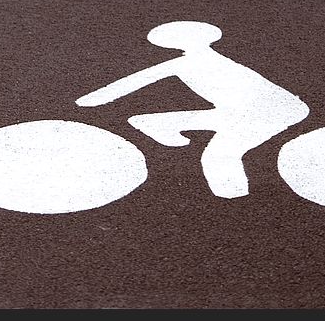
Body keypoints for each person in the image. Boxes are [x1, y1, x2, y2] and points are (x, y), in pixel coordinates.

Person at [76, 21, 310, 198]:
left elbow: (134, 81)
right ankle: (160, 128)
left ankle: (237, 205)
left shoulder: (186, 63)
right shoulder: (212, 61)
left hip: (268, 112)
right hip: (253, 110)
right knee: (151, 121)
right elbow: (136, 80)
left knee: (218, 156)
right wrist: (92, 99)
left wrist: (92, 100)